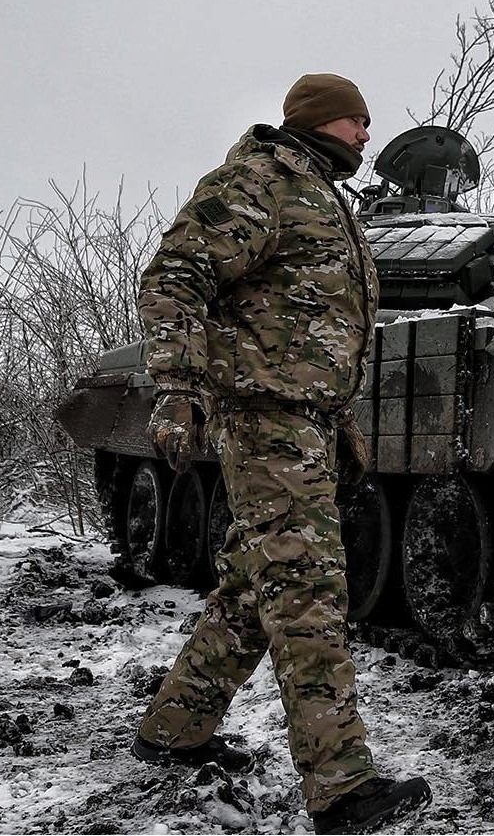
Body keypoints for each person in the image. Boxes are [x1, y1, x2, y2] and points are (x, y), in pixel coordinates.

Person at [132, 73, 431, 835]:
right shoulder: (260, 180)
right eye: (357, 121)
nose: (368, 135)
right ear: (320, 120)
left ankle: (175, 729)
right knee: (306, 589)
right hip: (265, 418)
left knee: (249, 586)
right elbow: (175, 277)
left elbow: (311, 328)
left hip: (304, 421)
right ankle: (341, 788)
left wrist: (339, 425)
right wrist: (177, 386)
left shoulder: (321, 193)